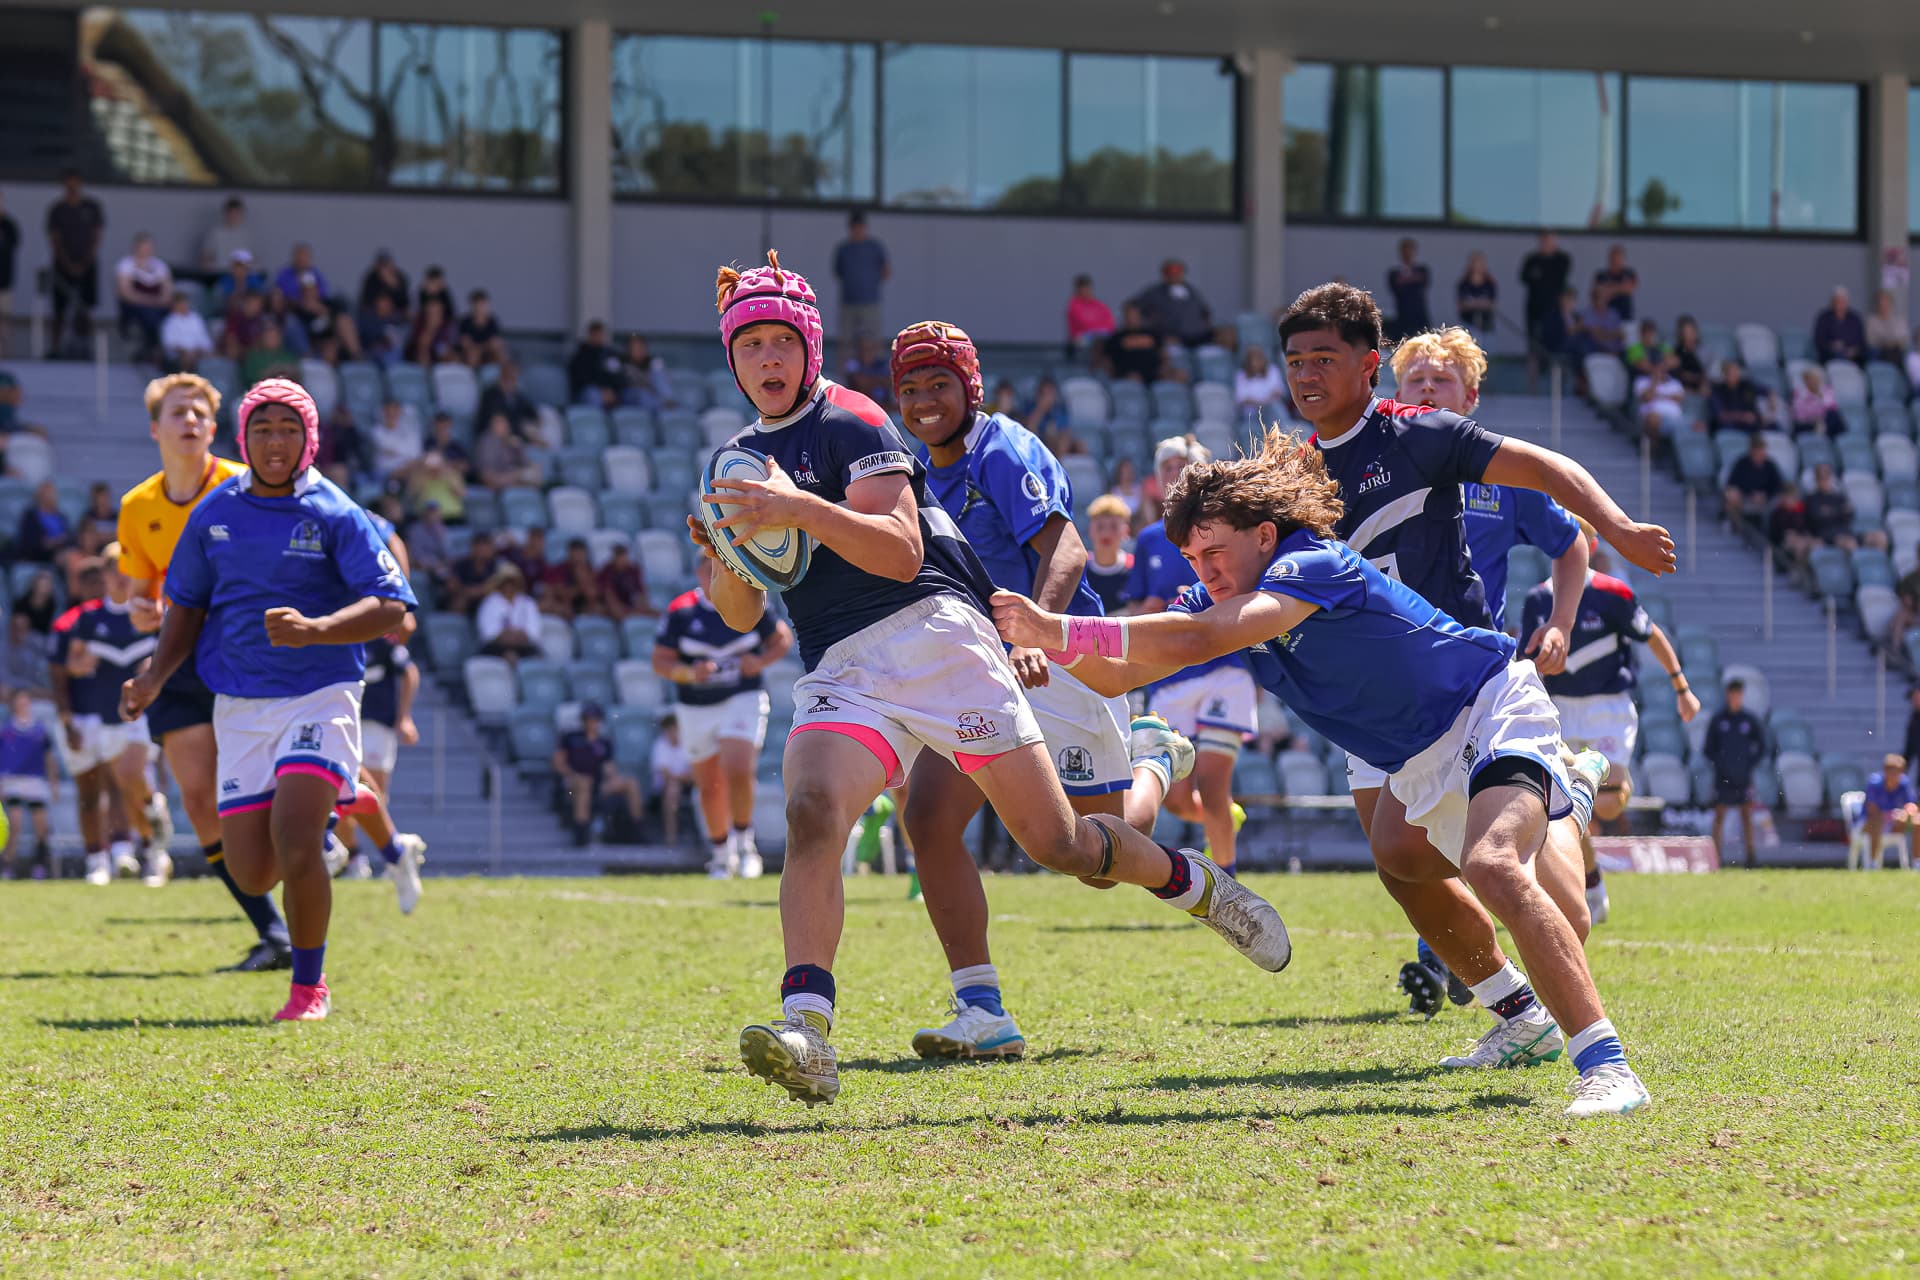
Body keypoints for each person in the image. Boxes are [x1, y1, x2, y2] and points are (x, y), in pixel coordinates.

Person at [698, 251, 1288, 1105]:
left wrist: (796, 509)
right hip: (841, 664)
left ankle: (1194, 883)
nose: (767, 359)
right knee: (812, 811)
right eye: (749, 345)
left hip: (939, 640)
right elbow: (740, 612)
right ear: (732, 360)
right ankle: (809, 1030)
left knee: (1062, 845)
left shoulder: (854, 421)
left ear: (809, 347)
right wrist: (726, 555)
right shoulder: (736, 462)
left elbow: (900, 553)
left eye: (780, 341)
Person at [992, 431, 1650, 1117]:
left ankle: (1608, 1066)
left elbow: (1199, 638)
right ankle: (1520, 1014)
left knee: (1497, 867)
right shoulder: (1219, 596)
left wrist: (1054, 629)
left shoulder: (1312, 562)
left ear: (1264, 536)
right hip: (1419, 755)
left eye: (1215, 552)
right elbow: (1116, 672)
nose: (1205, 571)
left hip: (1489, 705)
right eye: (1192, 558)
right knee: (1399, 861)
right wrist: (1030, 654)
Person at [1279, 281, 1676, 1037]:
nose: (1305, 374)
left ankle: (1563, 806)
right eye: (1295, 360)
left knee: (1545, 901)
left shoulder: (1422, 438)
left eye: (1323, 358)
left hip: (1467, 683)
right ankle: (1517, 1013)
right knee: (1401, 860)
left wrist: (1619, 531)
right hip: (1384, 700)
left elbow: (1548, 476)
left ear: (1367, 365)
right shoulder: (1297, 473)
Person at [892, 320, 1199, 1059]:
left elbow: (1065, 547)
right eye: (911, 388)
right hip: (980, 669)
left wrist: (1032, 635)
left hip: (1055, 661)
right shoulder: (911, 473)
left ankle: (1154, 760)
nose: (925, 400)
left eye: (940, 384)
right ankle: (982, 1008)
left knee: (1097, 862)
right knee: (928, 817)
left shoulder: (1002, 447)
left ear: (970, 387)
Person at [121, 379, 414, 1022]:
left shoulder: (335, 510)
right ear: (243, 438)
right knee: (252, 871)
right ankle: (345, 797)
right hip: (241, 704)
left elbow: (392, 605)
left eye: (288, 429)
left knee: (297, 840)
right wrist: (155, 677)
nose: (275, 442)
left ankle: (308, 988)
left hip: (319, 694)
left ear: (310, 438)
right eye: (262, 429)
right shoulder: (214, 514)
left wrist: (318, 629)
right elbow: (185, 606)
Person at [1390, 326, 1588, 1012]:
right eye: (1414, 379)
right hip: (1386, 676)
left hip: (1471, 677)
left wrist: (1560, 623)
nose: (1426, 389)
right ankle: (1469, 962)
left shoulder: (1497, 475)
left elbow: (1573, 546)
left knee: (1565, 908)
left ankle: (1464, 967)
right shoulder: (1367, 464)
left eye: (1441, 380)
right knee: (1396, 846)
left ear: (1470, 398)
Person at [117, 373, 293, 970]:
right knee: (197, 797)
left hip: (247, 651)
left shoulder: (244, 486)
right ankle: (272, 933)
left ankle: (328, 831)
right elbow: (143, 595)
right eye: (177, 412)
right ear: (155, 429)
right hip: (177, 658)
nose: (189, 420)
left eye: (199, 412)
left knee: (271, 780)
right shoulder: (136, 507)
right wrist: (143, 609)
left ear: (215, 428)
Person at [1123, 435, 1251, 874]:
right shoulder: (1148, 540)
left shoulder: (1225, 526)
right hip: (1170, 676)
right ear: (1156, 478)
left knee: (1213, 786)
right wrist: (1159, 610)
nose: (1174, 473)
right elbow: (1140, 613)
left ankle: (1228, 884)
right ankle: (1224, 820)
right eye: (1167, 466)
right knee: (1177, 800)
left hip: (1223, 669)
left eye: (1182, 465)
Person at [654, 556, 792, 877]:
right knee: (709, 784)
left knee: (739, 767)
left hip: (742, 697)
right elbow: (660, 661)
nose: (715, 575)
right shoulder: (680, 611)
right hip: (695, 707)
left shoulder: (750, 598)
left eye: (721, 567)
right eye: (709, 569)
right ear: (698, 573)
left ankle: (745, 843)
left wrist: (760, 662)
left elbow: (782, 639)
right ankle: (720, 853)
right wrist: (690, 673)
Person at [53, 551, 174, 886]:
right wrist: (82, 664)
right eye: (114, 572)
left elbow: (170, 651)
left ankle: (151, 824)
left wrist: (153, 668)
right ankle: (154, 849)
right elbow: (72, 664)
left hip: (143, 714)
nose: (121, 579)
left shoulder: (151, 611)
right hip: (106, 718)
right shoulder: (88, 619)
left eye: (126, 572)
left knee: (130, 772)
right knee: (129, 791)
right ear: (104, 577)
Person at [551, 703, 642, 846]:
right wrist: (573, 775)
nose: (593, 723)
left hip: (598, 784)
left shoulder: (604, 742)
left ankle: (637, 829)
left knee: (631, 783)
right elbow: (558, 763)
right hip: (572, 784)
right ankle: (581, 834)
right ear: (583, 720)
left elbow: (609, 767)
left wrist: (612, 778)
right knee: (584, 783)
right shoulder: (570, 738)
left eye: (596, 719)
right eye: (589, 719)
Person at [1702, 679, 1767, 869]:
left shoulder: (1748, 720)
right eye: (1732, 694)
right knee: (1719, 815)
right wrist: (1721, 764)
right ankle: (1715, 858)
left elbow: (1762, 746)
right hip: (1722, 777)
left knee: (1746, 815)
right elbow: (1708, 749)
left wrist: (1748, 763)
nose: (1735, 698)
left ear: (1742, 695)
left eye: (1738, 694)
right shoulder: (1719, 720)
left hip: (1743, 777)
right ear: (1727, 694)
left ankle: (1751, 857)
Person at [0, 689, 58, 879]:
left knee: (41, 826)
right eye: (19, 703)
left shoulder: (40, 731)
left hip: (35, 782)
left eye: (26, 702)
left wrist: (54, 783)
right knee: (14, 824)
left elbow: (49, 758)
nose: (23, 706)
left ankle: (40, 865)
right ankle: (7, 864)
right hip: (13, 781)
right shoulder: (7, 731)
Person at [46, 170, 105, 356]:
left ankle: (84, 347)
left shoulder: (92, 207)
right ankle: (56, 348)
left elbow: (97, 236)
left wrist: (85, 261)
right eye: (69, 184)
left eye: (75, 183)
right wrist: (67, 263)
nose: (72, 187)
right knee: (59, 309)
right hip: (62, 265)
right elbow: (54, 239)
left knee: (85, 308)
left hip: (88, 265)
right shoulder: (58, 209)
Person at [830, 210, 889, 352]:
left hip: (870, 301)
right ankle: (845, 367)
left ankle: (876, 366)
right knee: (846, 341)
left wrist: (870, 282)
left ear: (865, 227)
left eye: (860, 227)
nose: (857, 230)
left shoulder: (875, 247)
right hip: (848, 302)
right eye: (854, 227)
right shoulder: (843, 249)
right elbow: (838, 272)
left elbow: (886, 270)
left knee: (873, 340)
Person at [115, 233, 173, 360]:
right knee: (149, 316)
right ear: (136, 248)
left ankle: (170, 351)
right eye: (144, 247)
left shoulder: (160, 265)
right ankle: (152, 350)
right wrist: (150, 301)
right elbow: (126, 293)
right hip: (135, 306)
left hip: (157, 305)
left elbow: (167, 291)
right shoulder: (126, 265)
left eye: (149, 247)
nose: (147, 250)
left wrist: (161, 300)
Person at [1130, 259, 1213, 348]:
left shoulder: (1191, 290)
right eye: (1170, 273)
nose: (1174, 276)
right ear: (1164, 274)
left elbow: (1205, 312)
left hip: (1197, 338)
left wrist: (1206, 329)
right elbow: (1132, 307)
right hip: (1169, 340)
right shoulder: (1154, 292)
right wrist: (1140, 332)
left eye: (1177, 272)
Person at [1861, 753, 1918, 870]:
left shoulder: (1904, 783)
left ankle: (1917, 862)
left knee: (1918, 821)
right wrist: (1892, 815)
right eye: (1892, 771)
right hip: (1868, 824)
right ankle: (1873, 863)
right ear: (1885, 771)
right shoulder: (1875, 783)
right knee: (1878, 821)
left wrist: (1905, 813)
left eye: (1898, 772)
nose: (1895, 775)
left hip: (1893, 824)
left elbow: (1911, 805)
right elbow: (1872, 810)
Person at [475, 565, 543, 661]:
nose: (509, 586)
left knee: (536, 653)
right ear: (500, 584)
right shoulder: (489, 602)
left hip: (522, 646)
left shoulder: (528, 602)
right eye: (506, 582)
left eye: (513, 582)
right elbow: (487, 632)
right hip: (497, 646)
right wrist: (506, 635)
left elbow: (534, 631)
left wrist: (519, 635)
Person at [1519, 232, 1572, 356]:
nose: (1545, 245)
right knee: (1533, 338)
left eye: (1548, 241)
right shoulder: (1532, 259)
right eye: (1543, 241)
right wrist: (1542, 277)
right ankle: (1533, 365)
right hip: (1534, 305)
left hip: (1554, 306)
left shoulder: (1562, 259)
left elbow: (1559, 279)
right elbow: (1524, 277)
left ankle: (1552, 364)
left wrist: (1540, 276)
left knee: (1553, 337)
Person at [1083, 494, 1134, 615]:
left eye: (1114, 527)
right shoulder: (1080, 568)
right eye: (1100, 527)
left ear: (1126, 531)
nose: (1106, 533)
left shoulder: (1135, 567)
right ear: (1090, 530)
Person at [649, 714, 694, 846]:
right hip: (665, 787)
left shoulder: (688, 743)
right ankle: (671, 837)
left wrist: (688, 777)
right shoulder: (660, 745)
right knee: (672, 789)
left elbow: (696, 773)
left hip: (688, 785)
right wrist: (686, 777)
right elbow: (666, 775)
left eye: (674, 728)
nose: (672, 732)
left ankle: (709, 836)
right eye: (668, 729)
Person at [1723, 435, 1784, 524]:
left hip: (1765, 499)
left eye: (1761, 453)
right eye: (1756, 453)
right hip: (1745, 497)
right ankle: (1737, 525)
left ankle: (1771, 528)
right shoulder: (1742, 463)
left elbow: (1778, 485)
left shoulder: (1770, 465)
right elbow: (1732, 483)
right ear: (1751, 451)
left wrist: (1765, 495)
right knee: (1731, 495)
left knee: (1783, 498)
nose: (1759, 456)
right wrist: (1749, 494)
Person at [1105, 302, 1166, 383]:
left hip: (1153, 375)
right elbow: (1108, 360)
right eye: (1129, 315)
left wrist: (1163, 369)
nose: (1131, 318)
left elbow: (1163, 354)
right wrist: (1119, 374)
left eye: (1134, 314)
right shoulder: (1116, 337)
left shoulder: (1152, 334)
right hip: (1127, 376)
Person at [15, 482, 74, 566]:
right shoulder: (30, 516)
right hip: (39, 557)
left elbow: (69, 537)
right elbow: (31, 543)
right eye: (48, 494)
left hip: (62, 553)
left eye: (53, 494)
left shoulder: (61, 516)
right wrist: (55, 542)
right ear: (40, 496)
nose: (51, 497)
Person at [567, 321, 624, 408]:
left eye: (600, 334)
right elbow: (580, 379)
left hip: (609, 391)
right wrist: (601, 390)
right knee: (593, 394)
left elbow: (618, 375)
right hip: (587, 392)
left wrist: (612, 390)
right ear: (589, 335)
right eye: (595, 335)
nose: (598, 337)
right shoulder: (581, 355)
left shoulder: (611, 355)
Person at [1385, 238, 1431, 340]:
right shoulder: (1394, 273)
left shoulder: (1422, 270)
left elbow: (1423, 284)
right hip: (1403, 317)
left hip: (1420, 316)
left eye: (1410, 250)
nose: (1408, 254)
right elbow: (1396, 289)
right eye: (1405, 251)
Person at [1708, 360, 1771, 433]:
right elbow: (1721, 415)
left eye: (1737, 371)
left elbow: (1768, 392)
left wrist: (1771, 405)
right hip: (1732, 427)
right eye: (1732, 372)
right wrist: (1743, 417)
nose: (1736, 374)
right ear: (1725, 374)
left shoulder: (1746, 385)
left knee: (1772, 427)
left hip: (1754, 425)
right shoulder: (1717, 391)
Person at [1632, 362, 1689, 441]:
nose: (1659, 372)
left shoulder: (1675, 382)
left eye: (1662, 370)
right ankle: (1654, 446)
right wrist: (1654, 382)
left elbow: (1679, 398)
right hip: (1650, 415)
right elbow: (1647, 398)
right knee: (1653, 419)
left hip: (1673, 416)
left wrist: (1658, 396)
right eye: (1656, 369)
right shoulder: (1641, 381)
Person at [160, 293, 215, 372]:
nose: (183, 306)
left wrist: (200, 350)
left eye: (185, 303)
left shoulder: (196, 318)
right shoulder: (169, 322)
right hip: (180, 355)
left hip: (198, 352)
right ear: (174, 305)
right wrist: (185, 351)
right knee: (187, 358)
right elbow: (169, 344)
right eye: (180, 304)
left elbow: (204, 338)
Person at [1813, 287, 1866, 365]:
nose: (1840, 304)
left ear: (1847, 302)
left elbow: (1861, 341)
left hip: (1854, 356)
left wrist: (1853, 350)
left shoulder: (1855, 318)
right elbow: (1819, 340)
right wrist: (1832, 345)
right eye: (1837, 301)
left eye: (1843, 301)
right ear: (1832, 302)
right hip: (1830, 355)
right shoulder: (1823, 318)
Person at [1065, 274, 1115, 354]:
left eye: (1087, 287)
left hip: (1102, 340)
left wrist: (1098, 332)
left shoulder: (1100, 305)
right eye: (1082, 288)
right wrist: (1096, 330)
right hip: (1082, 343)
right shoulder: (1073, 306)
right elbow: (1083, 323)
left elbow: (1110, 325)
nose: (1085, 291)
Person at [1791, 368, 1847, 438]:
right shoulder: (1798, 393)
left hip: (1824, 421)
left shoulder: (1826, 389)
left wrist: (1820, 396)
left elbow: (1831, 406)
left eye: (1816, 379)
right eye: (1811, 379)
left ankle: (1836, 438)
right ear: (1805, 380)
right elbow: (1799, 415)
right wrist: (1815, 419)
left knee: (1834, 416)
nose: (1814, 381)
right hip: (1808, 422)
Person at [199, 196, 250, 272]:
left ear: (241, 214)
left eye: (236, 214)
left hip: (240, 275)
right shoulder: (215, 233)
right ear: (225, 214)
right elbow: (205, 259)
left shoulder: (246, 235)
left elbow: (251, 261)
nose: (233, 217)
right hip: (218, 273)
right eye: (231, 213)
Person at [459, 289, 508, 368]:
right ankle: (472, 374)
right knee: (473, 354)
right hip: (472, 352)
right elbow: (465, 343)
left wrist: (484, 347)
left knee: (500, 353)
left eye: (483, 304)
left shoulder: (492, 321)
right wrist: (482, 347)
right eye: (478, 304)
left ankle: (505, 373)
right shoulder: (465, 322)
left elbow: (495, 341)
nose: (480, 308)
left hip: (487, 350)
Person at [1234, 346, 1285, 418]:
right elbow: (1242, 398)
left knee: (1276, 408)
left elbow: (1279, 391)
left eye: (1259, 358)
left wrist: (1266, 403)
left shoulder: (1273, 370)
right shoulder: (1240, 375)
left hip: (1271, 409)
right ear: (1248, 361)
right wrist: (1261, 404)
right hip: (1252, 412)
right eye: (1254, 359)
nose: (1257, 362)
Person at [0, 188, 21, 356]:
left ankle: (5, 356)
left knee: (5, 321)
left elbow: (13, 248)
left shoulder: (9, 226)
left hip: (4, 282)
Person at [1593, 245, 1637, 322]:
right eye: (1613, 258)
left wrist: (1609, 290)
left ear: (1623, 259)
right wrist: (1620, 287)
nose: (1615, 261)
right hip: (1605, 318)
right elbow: (1598, 293)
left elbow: (1630, 289)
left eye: (1618, 258)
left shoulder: (1629, 273)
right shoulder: (1601, 275)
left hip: (1625, 317)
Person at [1456, 251, 1497, 335]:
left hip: (1486, 325)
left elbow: (1492, 304)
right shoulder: (1464, 283)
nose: (1477, 267)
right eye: (1474, 264)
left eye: (1479, 264)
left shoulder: (1489, 283)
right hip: (1468, 323)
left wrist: (1474, 303)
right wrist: (1478, 303)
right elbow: (1461, 305)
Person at [1671, 316, 1710, 395]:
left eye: (1691, 331)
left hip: (1701, 384)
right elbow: (1677, 373)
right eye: (1686, 332)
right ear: (1681, 334)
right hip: (1683, 386)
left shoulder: (1703, 351)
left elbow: (1708, 372)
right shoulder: (1677, 351)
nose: (1690, 335)